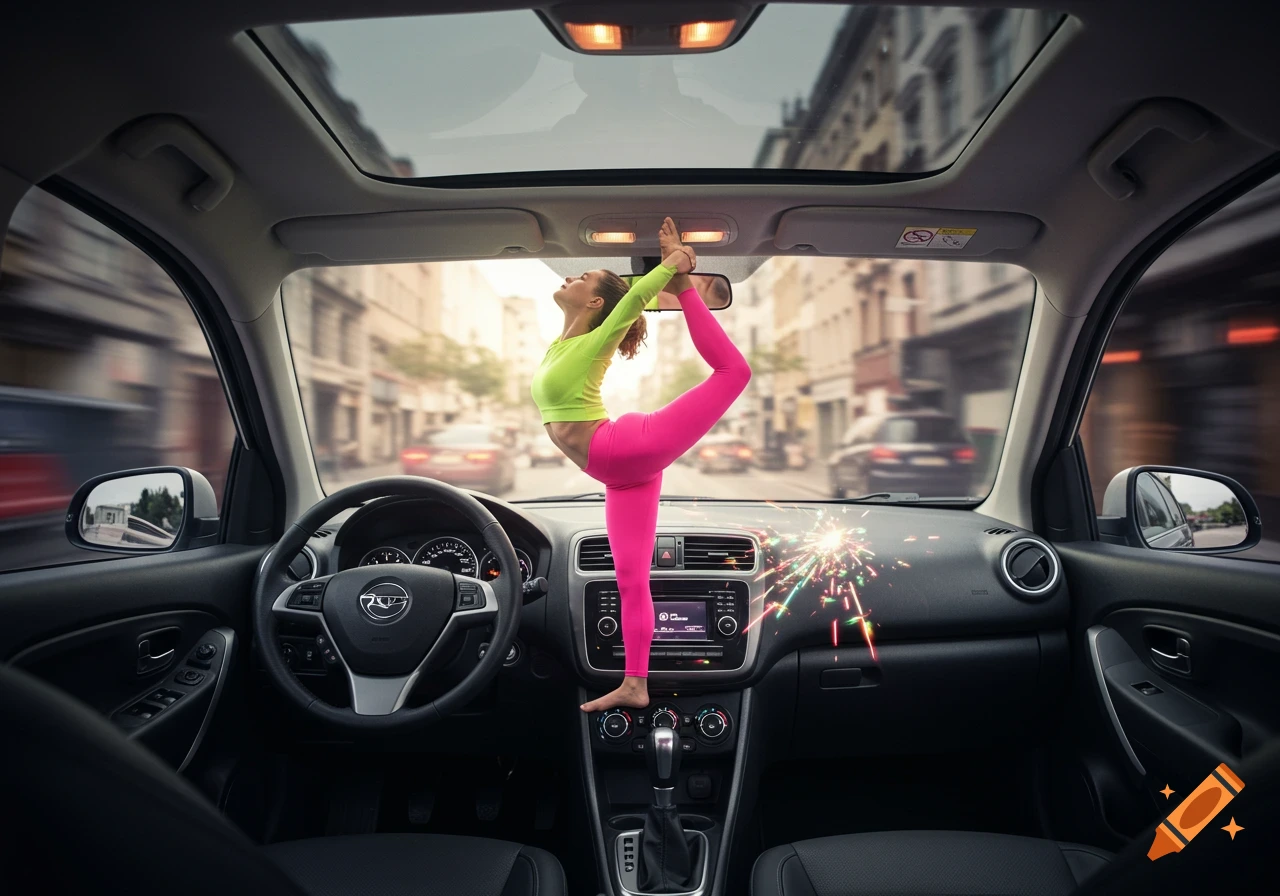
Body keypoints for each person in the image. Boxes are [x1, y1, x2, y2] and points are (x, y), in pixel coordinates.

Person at [530, 218, 751, 713]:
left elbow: (629, 302)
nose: (572, 278)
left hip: (625, 448)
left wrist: (676, 267)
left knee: (735, 372)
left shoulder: (595, 341)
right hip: (619, 471)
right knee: (631, 579)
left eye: (583, 277)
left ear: (594, 304)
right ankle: (635, 683)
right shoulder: (561, 346)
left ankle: (688, 291)